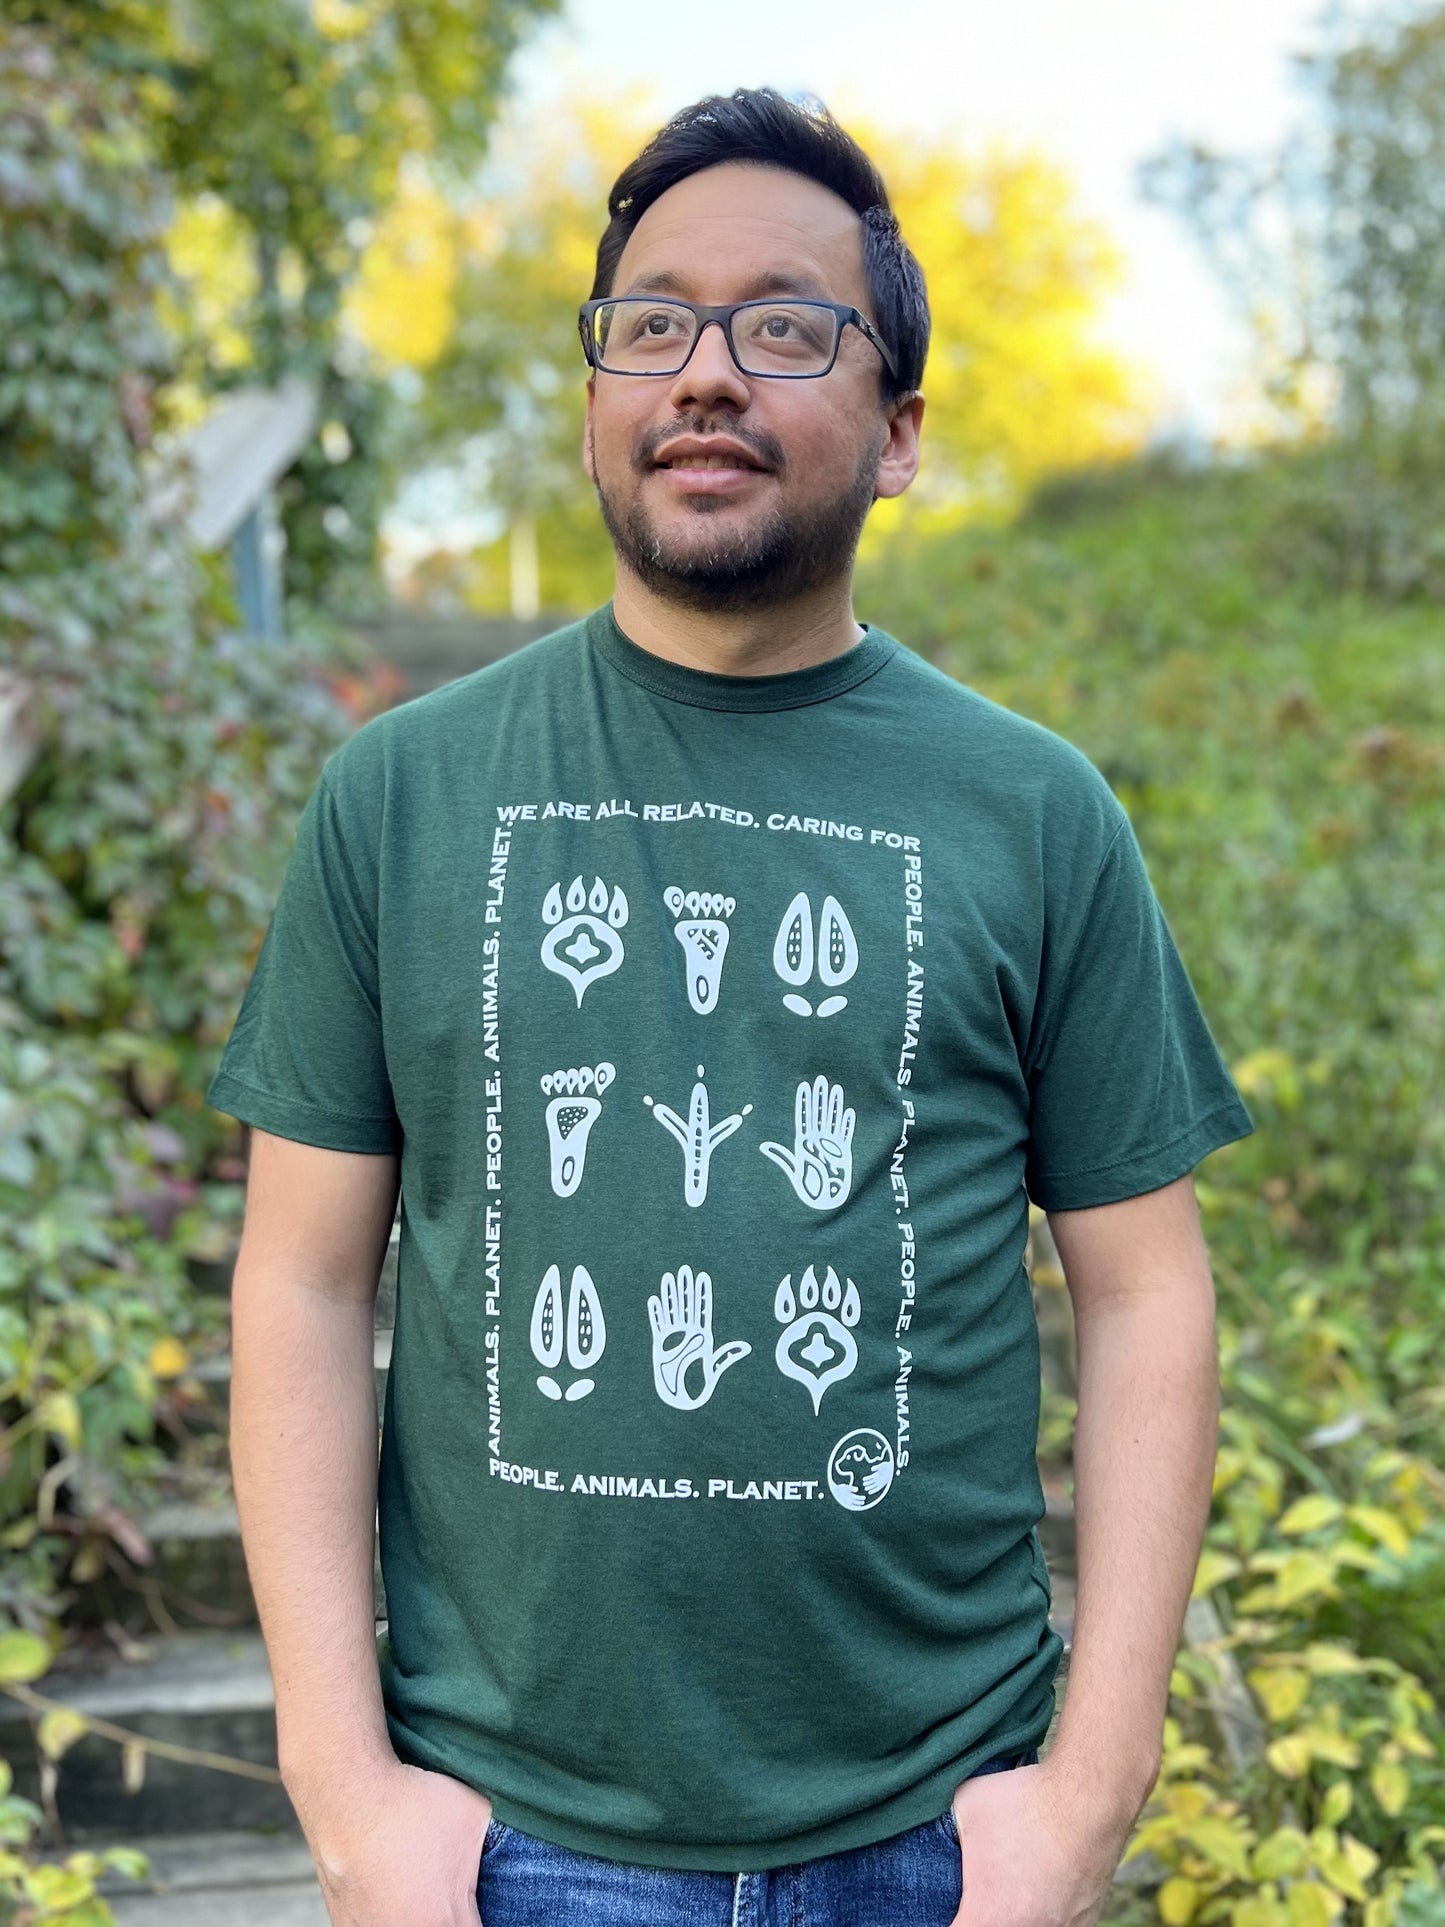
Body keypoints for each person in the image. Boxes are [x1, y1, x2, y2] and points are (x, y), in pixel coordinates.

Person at [207, 87, 1254, 1927]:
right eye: (651, 324)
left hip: (940, 1826)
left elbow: (1147, 1288)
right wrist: (343, 1789)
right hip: (510, 1831)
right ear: (597, 395)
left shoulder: (1029, 812)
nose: (705, 372)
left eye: (785, 325)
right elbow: (300, 1280)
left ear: (900, 430)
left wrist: (1085, 1795)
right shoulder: (401, 795)